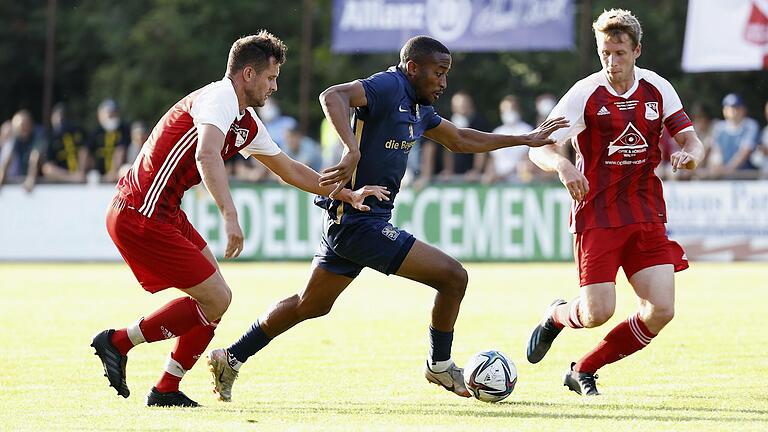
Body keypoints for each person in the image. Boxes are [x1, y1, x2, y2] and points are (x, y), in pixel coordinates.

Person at [206, 35, 566, 402]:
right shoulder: (390, 85)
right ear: (413, 68)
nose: (443, 82)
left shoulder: (419, 106)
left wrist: (524, 139)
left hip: (353, 221)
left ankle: (231, 357)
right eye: (438, 73)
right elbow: (332, 95)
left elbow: (460, 139)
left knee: (311, 304)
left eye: (446, 74)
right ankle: (439, 365)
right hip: (361, 221)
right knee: (453, 277)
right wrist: (351, 149)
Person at [90, 30, 387, 408]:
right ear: (248, 74)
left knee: (215, 300)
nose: (274, 86)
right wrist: (229, 215)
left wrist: (345, 193)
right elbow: (206, 155)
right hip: (140, 212)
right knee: (216, 299)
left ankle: (166, 388)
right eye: (271, 77)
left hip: (162, 210)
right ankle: (117, 343)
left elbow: (290, 169)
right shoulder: (219, 98)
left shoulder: (245, 120)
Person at [525, 9, 705, 396]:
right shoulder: (584, 93)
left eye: (619, 52)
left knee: (661, 310)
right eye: (604, 53)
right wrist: (562, 166)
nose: (611, 61)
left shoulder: (657, 88)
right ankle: (556, 316)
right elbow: (538, 148)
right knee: (596, 313)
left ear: (636, 50)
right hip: (597, 215)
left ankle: (584, 369)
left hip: (645, 213)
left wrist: (692, 155)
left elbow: (692, 140)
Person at [484, 95, 534, 183]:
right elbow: (493, 158)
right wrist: (489, 175)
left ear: (518, 110)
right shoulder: (497, 131)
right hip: (498, 181)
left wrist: (505, 174)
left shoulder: (527, 130)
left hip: (520, 181)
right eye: (505, 110)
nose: (508, 112)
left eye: (511, 109)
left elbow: (527, 157)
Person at [707, 93, 759, 179]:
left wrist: (727, 170)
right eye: (728, 108)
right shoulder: (719, 127)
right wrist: (716, 166)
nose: (732, 111)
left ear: (743, 109)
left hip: (747, 177)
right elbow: (716, 151)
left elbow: (745, 151)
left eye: (735, 108)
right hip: (725, 177)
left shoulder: (750, 126)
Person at [38, 103, 88, 184]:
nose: (61, 121)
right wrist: (72, 177)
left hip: (82, 177)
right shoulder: (50, 138)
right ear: (52, 118)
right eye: (58, 118)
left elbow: (86, 153)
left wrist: (81, 171)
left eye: (63, 118)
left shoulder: (79, 134)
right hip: (61, 182)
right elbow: (48, 168)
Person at [0, 110, 46, 191]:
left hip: (41, 182)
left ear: (29, 124)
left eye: (23, 125)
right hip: (22, 178)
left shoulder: (38, 136)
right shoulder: (16, 139)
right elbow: (7, 160)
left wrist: (30, 179)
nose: (21, 129)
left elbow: (34, 159)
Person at [88, 99, 130, 183]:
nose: (110, 116)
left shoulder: (124, 130)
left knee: (125, 170)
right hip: (100, 175)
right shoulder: (96, 133)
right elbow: (86, 152)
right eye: (107, 113)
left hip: (118, 173)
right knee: (92, 177)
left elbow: (121, 151)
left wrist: (113, 173)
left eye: (113, 113)